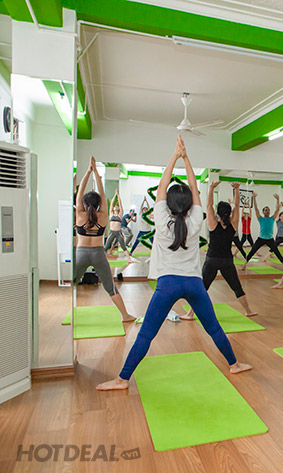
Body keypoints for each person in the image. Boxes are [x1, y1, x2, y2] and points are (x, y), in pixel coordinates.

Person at [96, 136, 251, 391]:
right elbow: (194, 187)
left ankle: (122, 379)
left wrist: (175, 156)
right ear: (190, 203)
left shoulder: (160, 218)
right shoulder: (196, 220)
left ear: (167, 204)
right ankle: (234, 364)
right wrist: (186, 158)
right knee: (213, 328)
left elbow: (162, 185)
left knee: (146, 334)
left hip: (167, 285)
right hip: (194, 284)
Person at [182, 180, 256, 319]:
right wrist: (237, 189)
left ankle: (190, 313)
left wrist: (211, 188)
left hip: (212, 260)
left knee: (202, 288)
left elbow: (209, 205)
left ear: (218, 213)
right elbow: (237, 207)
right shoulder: (233, 225)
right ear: (229, 213)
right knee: (237, 287)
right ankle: (248, 310)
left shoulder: (213, 224)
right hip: (227, 261)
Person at [74, 156, 135, 323]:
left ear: (84, 203)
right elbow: (102, 193)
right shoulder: (102, 215)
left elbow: (79, 194)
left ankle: (64, 313)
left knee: (71, 284)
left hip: (81, 253)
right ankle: (125, 315)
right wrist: (96, 173)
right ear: (99, 204)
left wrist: (88, 172)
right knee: (110, 287)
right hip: (98, 254)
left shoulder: (80, 214)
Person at [241, 193, 283, 270]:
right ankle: (244, 265)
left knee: (277, 252)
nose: (267, 211)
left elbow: (277, 210)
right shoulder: (260, 218)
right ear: (263, 212)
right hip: (261, 238)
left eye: (268, 210)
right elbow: (256, 209)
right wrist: (254, 198)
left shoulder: (272, 218)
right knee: (252, 251)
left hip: (270, 239)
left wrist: (278, 199)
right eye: (266, 210)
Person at [104, 190, 134, 258]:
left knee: (123, 246)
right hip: (112, 232)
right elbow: (111, 204)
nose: (116, 207)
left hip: (118, 232)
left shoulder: (120, 214)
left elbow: (121, 205)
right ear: (113, 208)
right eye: (115, 206)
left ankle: (129, 259)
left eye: (117, 206)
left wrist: (118, 196)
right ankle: (102, 258)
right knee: (106, 246)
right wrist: (115, 195)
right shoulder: (111, 214)